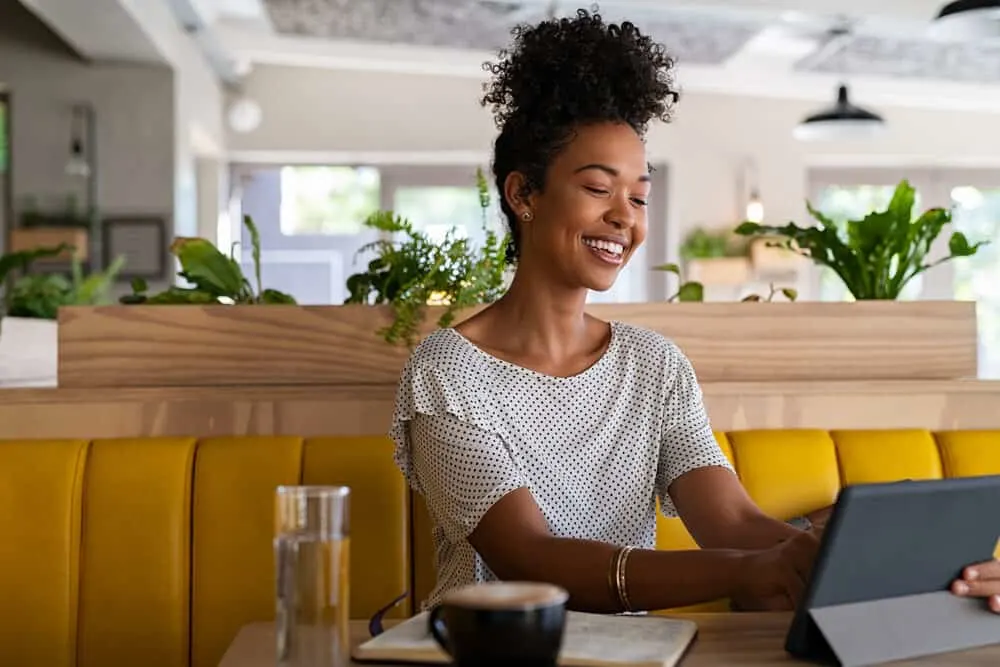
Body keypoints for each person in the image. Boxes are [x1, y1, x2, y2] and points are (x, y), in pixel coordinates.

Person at [389, 9, 1000, 615]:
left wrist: (909, 577)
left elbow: (732, 520)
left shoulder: (653, 364)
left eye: (638, 195)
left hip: (635, 657)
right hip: (490, 653)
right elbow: (530, 556)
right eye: (599, 189)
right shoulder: (448, 372)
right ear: (523, 193)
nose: (625, 216)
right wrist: (753, 570)